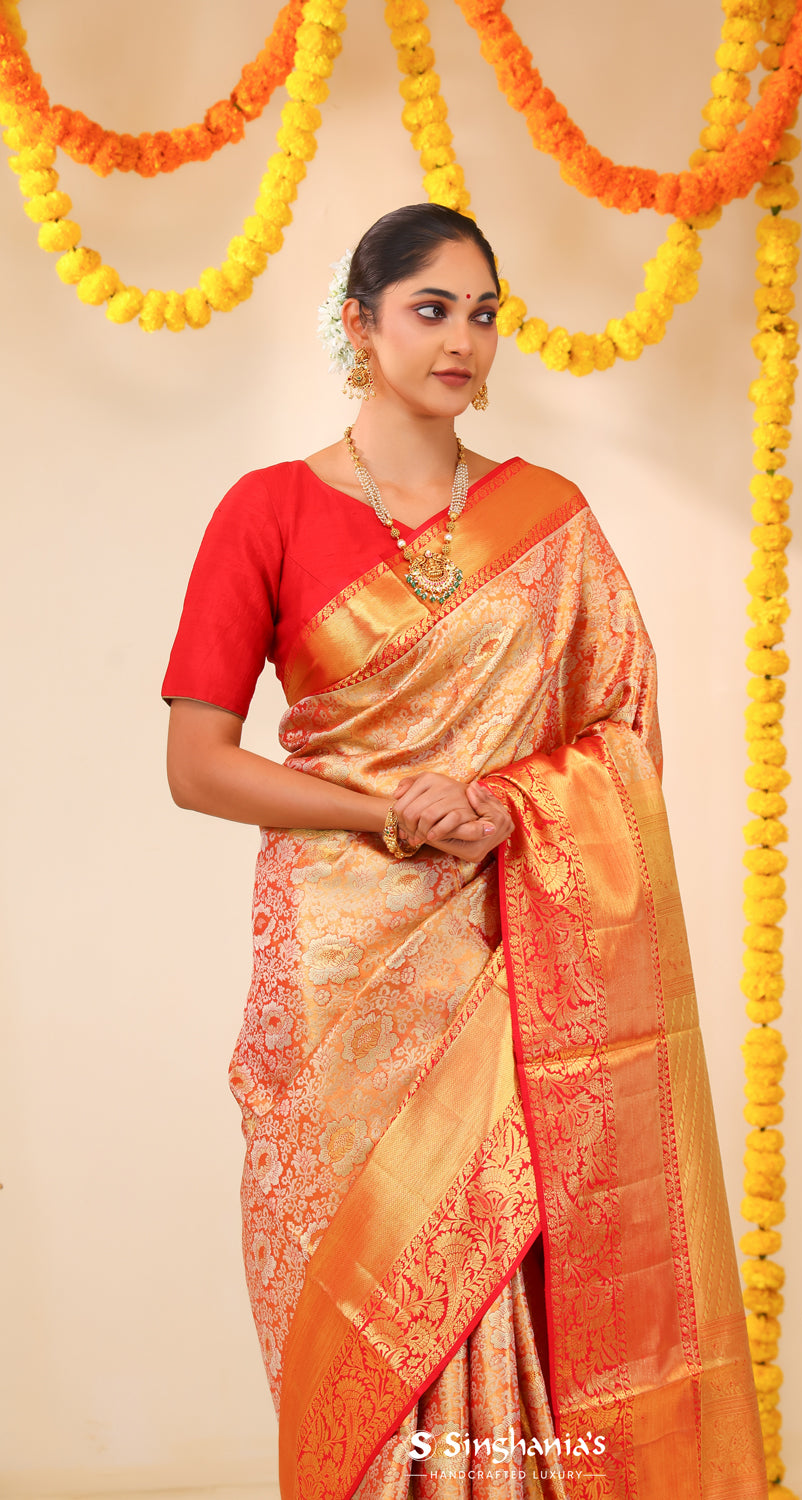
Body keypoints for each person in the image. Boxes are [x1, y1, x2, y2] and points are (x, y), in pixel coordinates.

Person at [163, 203, 767, 1500]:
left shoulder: (550, 518)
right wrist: (385, 812)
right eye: (432, 309)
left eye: (483, 313)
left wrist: (514, 803)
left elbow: (624, 727)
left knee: (510, 1260)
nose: (464, 339)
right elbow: (197, 765)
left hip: (513, 950)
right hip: (347, 972)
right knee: (371, 1286)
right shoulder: (264, 511)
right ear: (359, 324)